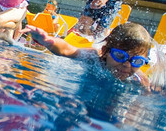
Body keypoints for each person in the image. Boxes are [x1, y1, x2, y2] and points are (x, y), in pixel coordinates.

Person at [21, 22, 151, 85]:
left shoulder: (138, 79)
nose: (127, 65)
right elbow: (68, 50)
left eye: (137, 61)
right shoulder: (94, 58)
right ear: (106, 51)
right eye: (120, 56)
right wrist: (48, 41)